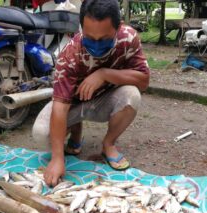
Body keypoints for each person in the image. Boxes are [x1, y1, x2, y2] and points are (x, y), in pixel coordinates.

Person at [32, 0, 150, 186]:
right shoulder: (70, 55)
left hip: (106, 100)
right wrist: (57, 158)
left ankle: (108, 144)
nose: (95, 45)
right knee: (41, 133)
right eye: (89, 38)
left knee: (132, 95)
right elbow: (60, 108)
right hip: (74, 103)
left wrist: (104, 74)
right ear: (81, 28)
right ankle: (76, 130)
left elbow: (143, 80)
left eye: (103, 39)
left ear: (118, 28)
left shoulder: (128, 38)